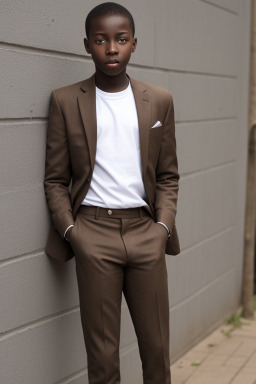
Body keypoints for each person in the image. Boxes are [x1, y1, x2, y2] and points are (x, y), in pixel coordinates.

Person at [44, 2, 180, 383]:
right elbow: (55, 180)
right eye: (101, 40)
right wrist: (73, 232)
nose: (112, 49)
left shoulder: (160, 100)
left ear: (134, 43)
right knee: (103, 359)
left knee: (156, 352)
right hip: (93, 232)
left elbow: (169, 175)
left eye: (121, 40)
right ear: (87, 45)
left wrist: (162, 230)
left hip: (145, 233)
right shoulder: (65, 101)